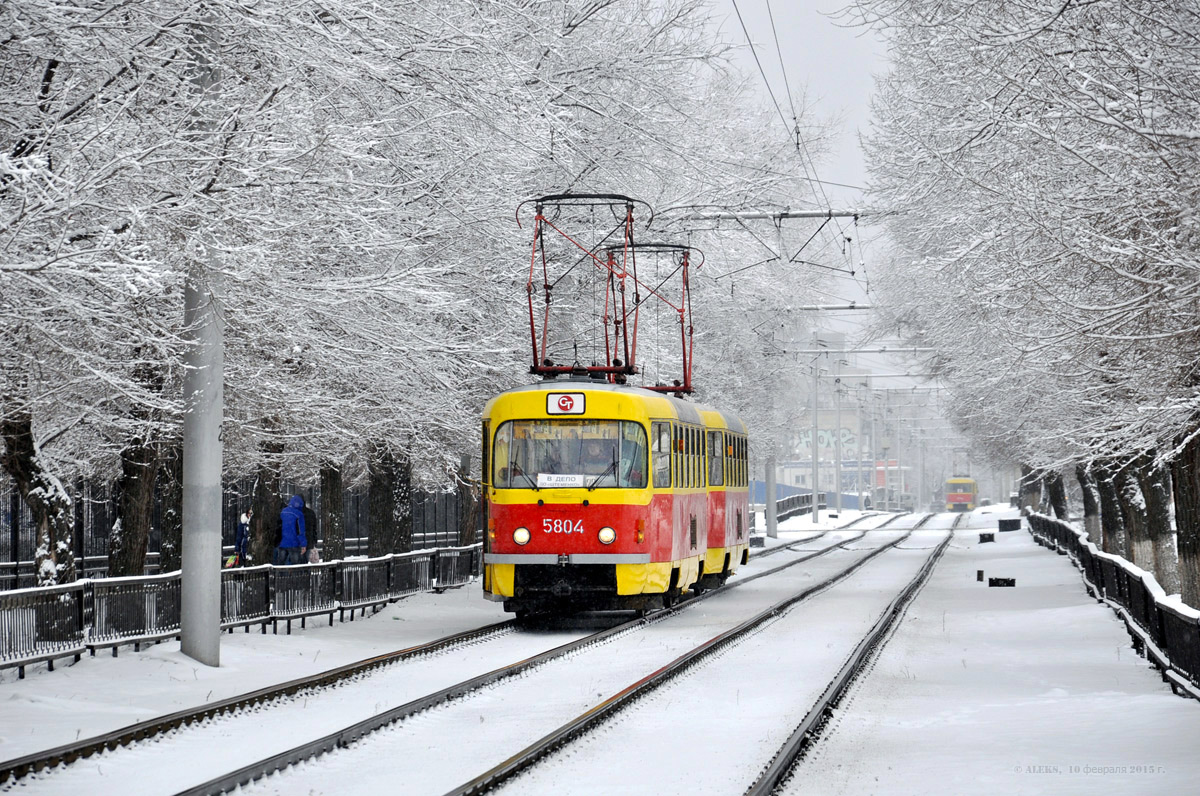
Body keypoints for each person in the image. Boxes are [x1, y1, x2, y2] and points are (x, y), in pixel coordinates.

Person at [278, 495, 307, 565]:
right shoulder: (299, 514)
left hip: (282, 543)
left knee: (281, 565)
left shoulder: (283, 512)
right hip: (294, 543)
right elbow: (300, 531)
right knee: (295, 566)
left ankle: (279, 576)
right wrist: (303, 544)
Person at [299, 495, 318, 562]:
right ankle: (306, 572)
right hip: (309, 541)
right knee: (306, 560)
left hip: (297, 542)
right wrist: (314, 540)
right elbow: (314, 528)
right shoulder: (311, 513)